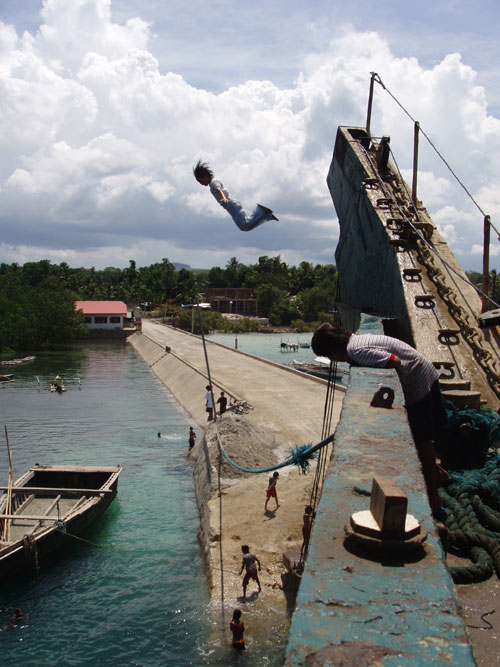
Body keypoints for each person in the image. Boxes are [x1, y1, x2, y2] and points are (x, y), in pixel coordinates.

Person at [311, 323, 448, 518]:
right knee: (425, 440)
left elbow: (394, 361)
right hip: (426, 374)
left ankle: (434, 501)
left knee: (422, 440)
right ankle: (437, 472)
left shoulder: (355, 351)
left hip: (418, 384)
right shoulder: (357, 340)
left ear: (333, 351)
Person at [193, 160, 278, 232]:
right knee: (245, 225)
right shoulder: (215, 180)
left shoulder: (212, 183)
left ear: (205, 176)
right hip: (233, 205)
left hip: (231, 205)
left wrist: (224, 198)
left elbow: (219, 190)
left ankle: (261, 211)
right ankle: (267, 215)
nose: (201, 184)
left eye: (201, 181)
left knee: (244, 226)